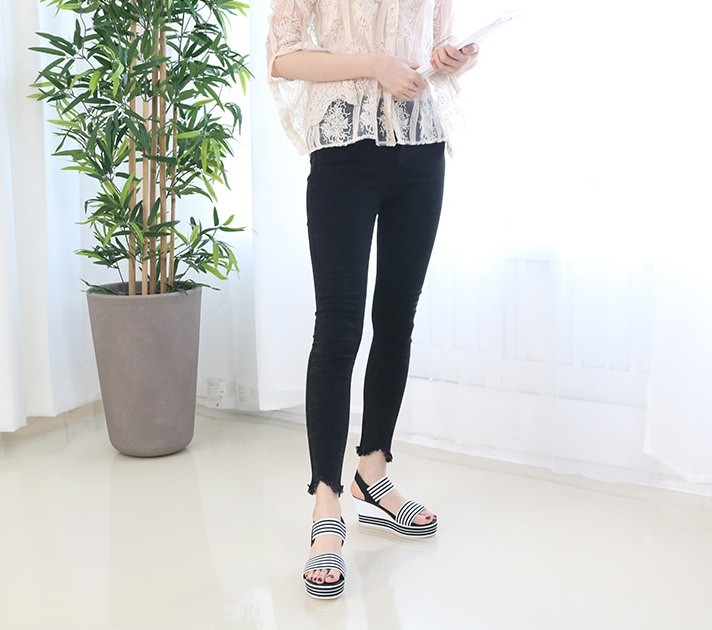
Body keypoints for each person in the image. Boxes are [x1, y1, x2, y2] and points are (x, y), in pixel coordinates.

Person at [267, 0, 478, 599]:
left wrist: (450, 59)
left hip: (421, 146)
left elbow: (433, 47)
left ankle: (373, 473)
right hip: (344, 149)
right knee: (338, 326)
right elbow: (282, 58)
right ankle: (326, 505)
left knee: (396, 318)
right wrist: (373, 64)